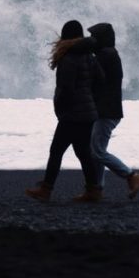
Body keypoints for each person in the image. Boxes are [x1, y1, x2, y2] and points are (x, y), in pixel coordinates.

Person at [25, 20, 103, 203]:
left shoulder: (69, 57)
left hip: (72, 114)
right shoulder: (88, 55)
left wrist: (60, 107)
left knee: (56, 151)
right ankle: (94, 190)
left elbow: (66, 89)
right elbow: (101, 78)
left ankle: (46, 190)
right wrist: (89, 95)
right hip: (88, 112)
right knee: (83, 152)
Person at [85, 22, 139, 200]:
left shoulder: (106, 55)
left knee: (97, 151)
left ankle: (131, 176)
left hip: (106, 111)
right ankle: (96, 189)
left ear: (101, 39)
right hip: (106, 110)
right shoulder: (108, 54)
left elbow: (92, 76)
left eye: (94, 37)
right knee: (96, 150)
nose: (91, 40)